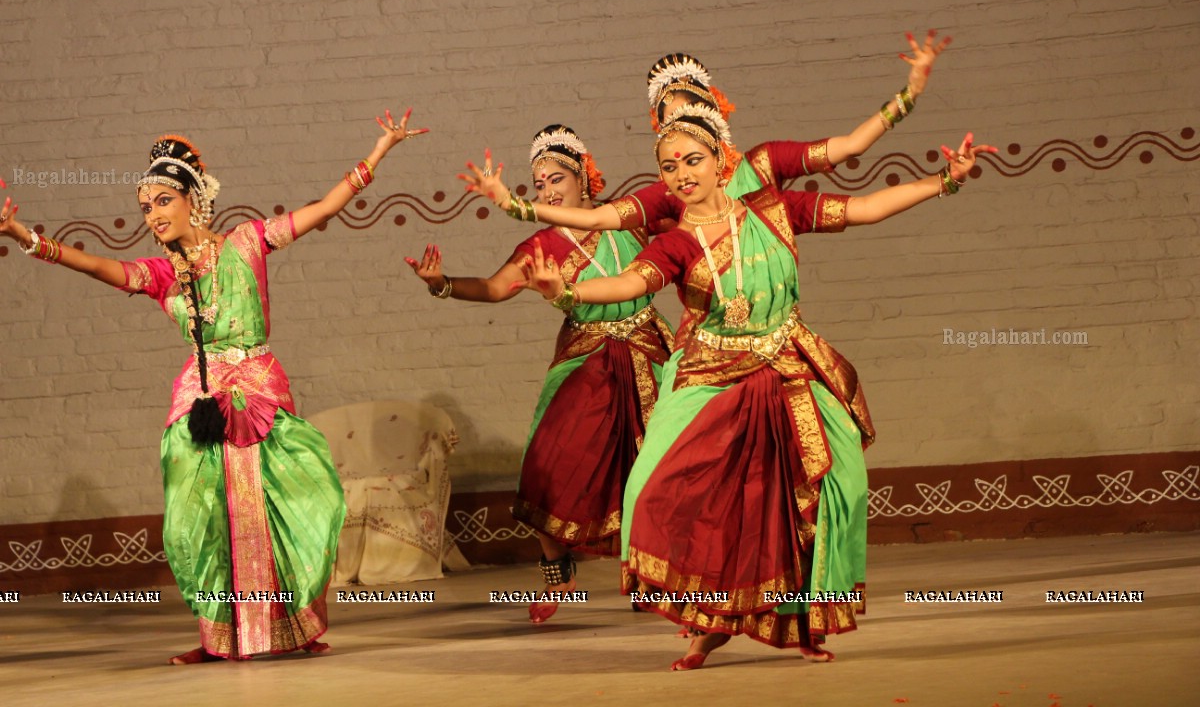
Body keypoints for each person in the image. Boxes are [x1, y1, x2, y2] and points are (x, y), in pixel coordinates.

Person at [504, 104, 994, 670]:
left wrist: (944, 182)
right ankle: (708, 624)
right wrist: (565, 294)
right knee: (659, 493)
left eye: (692, 160)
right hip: (716, 376)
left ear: (721, 161)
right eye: (668, 168)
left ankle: (805, 620)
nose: (681, 175)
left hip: (789, 367)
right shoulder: (677, 243)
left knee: (830, 490)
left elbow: (864, 209)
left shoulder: (775, 212)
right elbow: (626, 283)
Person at [0, 108, 427, 663]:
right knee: (199, 521)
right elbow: (100, 267)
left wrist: (380, 151)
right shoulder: (160, 274)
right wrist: (25, 237)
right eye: (144, 208)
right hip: (200, 402)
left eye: (162, 202)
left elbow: (324, 208)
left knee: (287, 506)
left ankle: (293, 630)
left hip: (260, 392)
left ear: (192, 199)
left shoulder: (249, 243)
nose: (152, 216)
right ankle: (218, 636)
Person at [406, 125, 674, 623]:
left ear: (583, 177)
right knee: (547, 464)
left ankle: (653, 575)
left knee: (657, 467)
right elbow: (493, 288)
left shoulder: (628, 219)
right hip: (586, 356)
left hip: (648, 350)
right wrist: (442, 285)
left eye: (556, 179)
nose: (548, 191)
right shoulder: (543, 245)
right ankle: (559, 572)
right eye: (539, 185)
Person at [462, 30, 952, 242]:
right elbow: (602, 218)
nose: (682, 127)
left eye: (693, 111)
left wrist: (909, 96)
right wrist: (518, 208)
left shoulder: (766, 174)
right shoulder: (671, 194)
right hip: (707, 345)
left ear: (715, 111)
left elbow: (851, 158)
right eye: (669, 123)